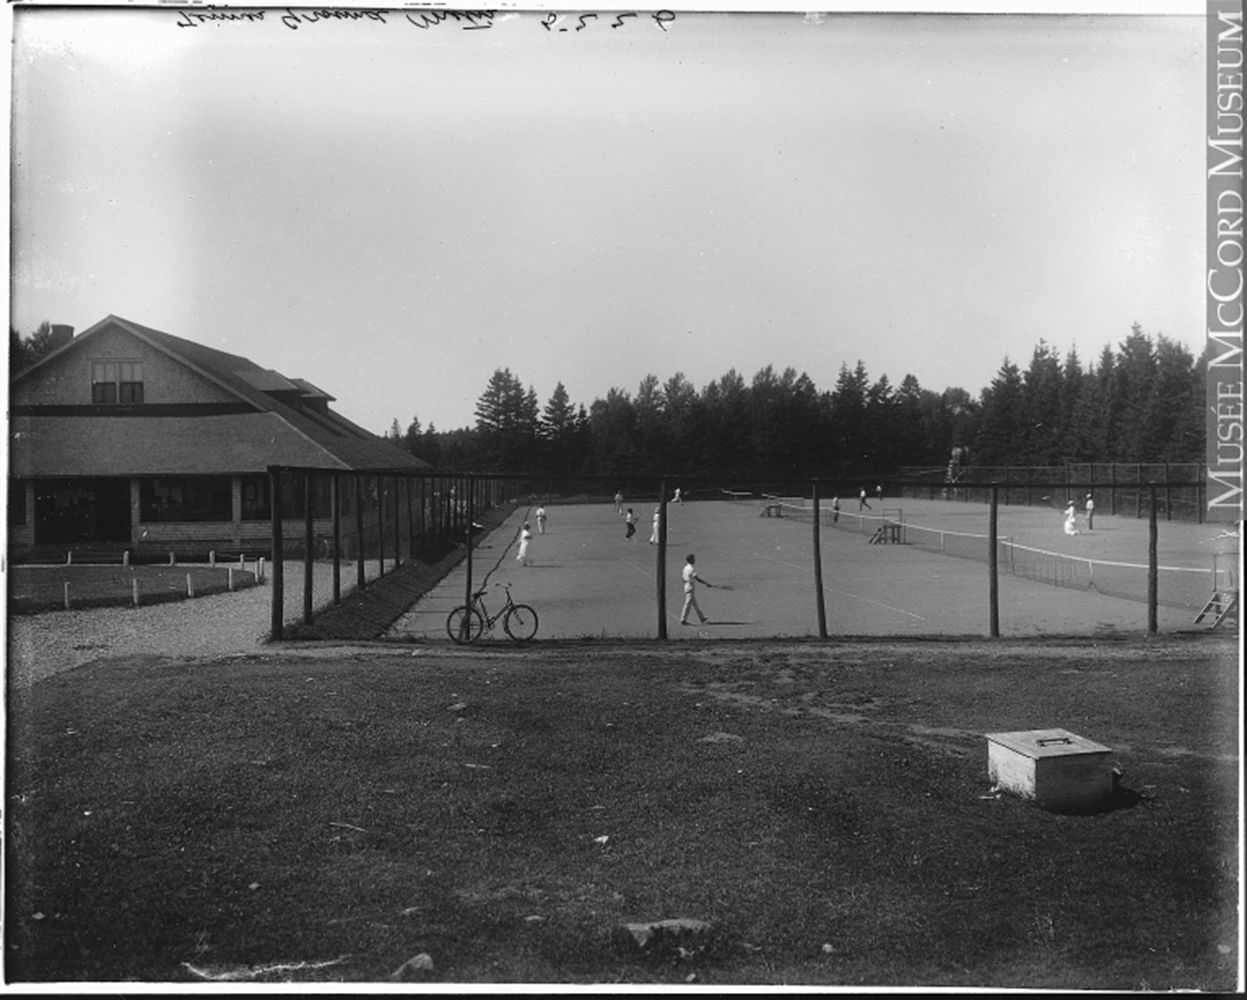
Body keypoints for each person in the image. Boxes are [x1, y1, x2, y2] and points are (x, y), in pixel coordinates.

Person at [680, 553, 712, 625]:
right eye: (693, 558)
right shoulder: (691, 569)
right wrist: (706, 583)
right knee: (688, 603)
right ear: (690, 560)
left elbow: (683, 578)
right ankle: (683, 620)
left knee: (694, 604)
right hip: (690, 586)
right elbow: (697, 578)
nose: (695, 560)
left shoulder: (685, 568)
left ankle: (702, 618)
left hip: (686, 585)